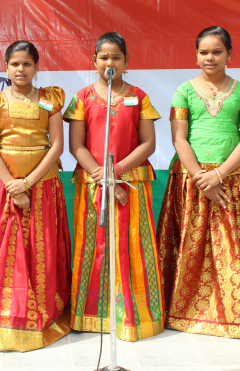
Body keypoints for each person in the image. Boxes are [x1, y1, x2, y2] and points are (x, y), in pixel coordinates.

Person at [63, 32, 164, 341]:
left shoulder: (139, 97)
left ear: (126, 61)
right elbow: (76, 146)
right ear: (94, 61)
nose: (110, 62)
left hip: (131, 184)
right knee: (94, 248)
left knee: (131, 246)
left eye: (116, 57)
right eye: (104, 57)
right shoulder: (82, 97)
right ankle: (92, 315)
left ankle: (134, 316)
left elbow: (148, 144)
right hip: (93, 184)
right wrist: (104, 178)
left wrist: (117, 173)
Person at [0, 40, 72, 352]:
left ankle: (44, 313)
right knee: (7, 250)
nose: (21, 69)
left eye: (27, 64)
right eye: (15, 64)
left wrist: (28, 183)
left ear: (36, 67)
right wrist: (13, 185)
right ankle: (9, 315)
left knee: (42, 248)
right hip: (4, 187)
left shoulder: (50, 98)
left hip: (43, 185)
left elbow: (56, 146)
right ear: (6, 67)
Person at [157, 26, 240, 338]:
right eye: (204, 52)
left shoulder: (239, 90)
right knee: (189, 248)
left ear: (229, 54)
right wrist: (201, 178)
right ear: (195, 55)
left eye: (217, 52)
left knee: (230, 248)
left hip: (231, 179)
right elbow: (179, 138)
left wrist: (218, 175)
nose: (210, 57)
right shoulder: (184, 91)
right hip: (190, 180)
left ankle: (231, 314)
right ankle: (184, 312)